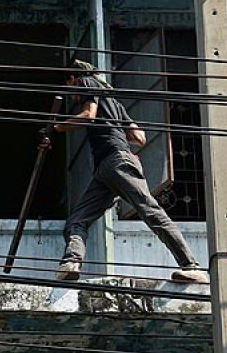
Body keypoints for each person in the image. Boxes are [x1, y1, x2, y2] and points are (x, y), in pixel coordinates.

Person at [41, 60, 206, 284]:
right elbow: (140, 138)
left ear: (73, 78)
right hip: (107, 170)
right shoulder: (115, 104)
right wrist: (115, 129)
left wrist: (56, 127)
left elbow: (88, 115)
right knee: (76, 221)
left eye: (68, 86)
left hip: (115, 162)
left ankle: (192, 266)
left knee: (150, 210)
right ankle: (71, 262)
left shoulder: (88, 82)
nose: (71, 94)